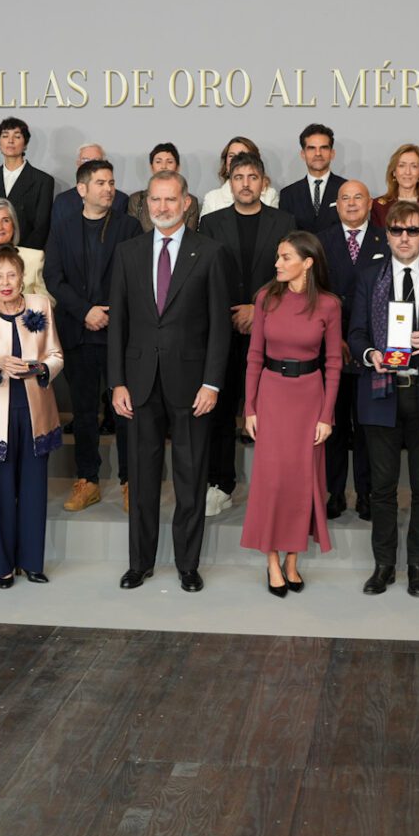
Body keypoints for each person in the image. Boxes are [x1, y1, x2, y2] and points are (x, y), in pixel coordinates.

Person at [108, 171, 231, 592]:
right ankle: (139, 563)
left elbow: (220, 326)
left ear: (186, 202)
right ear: (147, 205)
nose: (162, 207)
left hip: (192, 385)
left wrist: (212, 383)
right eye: (155, 200)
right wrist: (117, 383)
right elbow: (118, 324)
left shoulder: (211, 253)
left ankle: (187, 565)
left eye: (170, 199)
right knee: (141, 479)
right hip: (139, 384)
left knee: (191, 478)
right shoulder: (128, 253)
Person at [350, 203, 419, 596]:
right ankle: (383, 566)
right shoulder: (369, 278)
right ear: (386, 233)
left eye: (412, 231)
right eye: (397, 230)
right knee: (380, 488)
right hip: (380, 391)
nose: (404, 238)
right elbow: (356, 332)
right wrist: (370, 355)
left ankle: (418, 566)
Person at [242, 232, 344, 596]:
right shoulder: (264, 299)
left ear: (308, 262)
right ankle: (271, 561)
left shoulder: (330, 305)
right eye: (277, 256)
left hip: (309, 400)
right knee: (271, 481)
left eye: (285, 257)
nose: (277, 263)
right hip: (271, 396)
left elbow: (333, 364)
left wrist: (326, 415)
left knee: (303, 482)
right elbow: (254, 357)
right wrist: (249, 408)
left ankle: (292, 560)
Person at [198, 151, 295, 515]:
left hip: (271, 330)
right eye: (239, 178)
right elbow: (204, 277)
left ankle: (273, 486)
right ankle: (220, 484)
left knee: (269, 412)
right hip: (221, 331)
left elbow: (291, 274)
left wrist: (259, 309)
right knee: (220, 412)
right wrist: (231, 312)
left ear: (263, 182)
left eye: (253, 177)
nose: (246, 184)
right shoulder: (211, 222)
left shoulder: (284, 221)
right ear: (230, 182)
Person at [0, 247, 65, 587]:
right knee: (0, 494)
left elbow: (56, 355)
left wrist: (38, 367)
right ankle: (4, 566)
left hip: (34, 413)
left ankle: (32, 563)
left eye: (12, 275)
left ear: (23, 278)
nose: (6, 283)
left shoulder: (40, 306)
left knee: (34, 491)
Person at [45, 157, 143, 512]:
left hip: (119, 333)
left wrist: (106, 312)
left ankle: (132, 481)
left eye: (112, 182)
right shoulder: (63, 228)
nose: (109, 188)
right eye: (101, 183)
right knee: (84, 413)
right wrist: (84, 310)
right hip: (78, 331)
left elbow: (134, 276)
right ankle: (88, 480)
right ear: (82, 189)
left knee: (125, 412)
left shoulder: (129, 227)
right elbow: (53, 278)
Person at [318, 179, 386, 519]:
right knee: (333, 424)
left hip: (371, 349)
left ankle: (366, 492)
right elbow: (316, 293)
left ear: (370, 202)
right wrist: (336, 337)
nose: (352, 203)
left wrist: (366, 342)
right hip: (331, 347)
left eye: (358, 197)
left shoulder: (384, 238)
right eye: (345, 198)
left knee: (367, 427)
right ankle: (334, 492)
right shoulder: (323, 240)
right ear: (336, 204)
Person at [0, 116, 57, 251]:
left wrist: (22, 254)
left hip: (27, 255)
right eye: (5, 136)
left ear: (26, 144)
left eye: (17, 136)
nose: (10, 141)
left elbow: (41, 226)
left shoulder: (43, 180)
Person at [278, 123, 346, 233]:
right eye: (311, 148)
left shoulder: (345, 188)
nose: (318, 153)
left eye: (323, 148)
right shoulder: (288, 194)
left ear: (332, 153)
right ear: (303, 154)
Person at [199, 136, 281, 216]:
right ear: (225, 161)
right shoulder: (212, 198)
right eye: (231, 156)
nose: (236, 160)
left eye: (242, 155)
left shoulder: (269, 195)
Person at [127, 142, 200, 231]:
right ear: (151, 167)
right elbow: (133, 235)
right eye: (158, 162)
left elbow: (190, 236)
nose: (164, 166)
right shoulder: (136, 199)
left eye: (169, 162)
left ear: (177, 167)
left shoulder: (190, 201)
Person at [370, 143, 419, 229]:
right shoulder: (378, 206)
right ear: (394, 172)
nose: (407, 172)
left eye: (414, 166)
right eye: (402, 165)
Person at [49, 142, 107, 228]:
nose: (90, 165)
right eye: (85, 160)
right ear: (78, 164)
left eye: (96, 161)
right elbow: (55, 236)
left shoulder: (119, 200)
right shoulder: (62, 201)